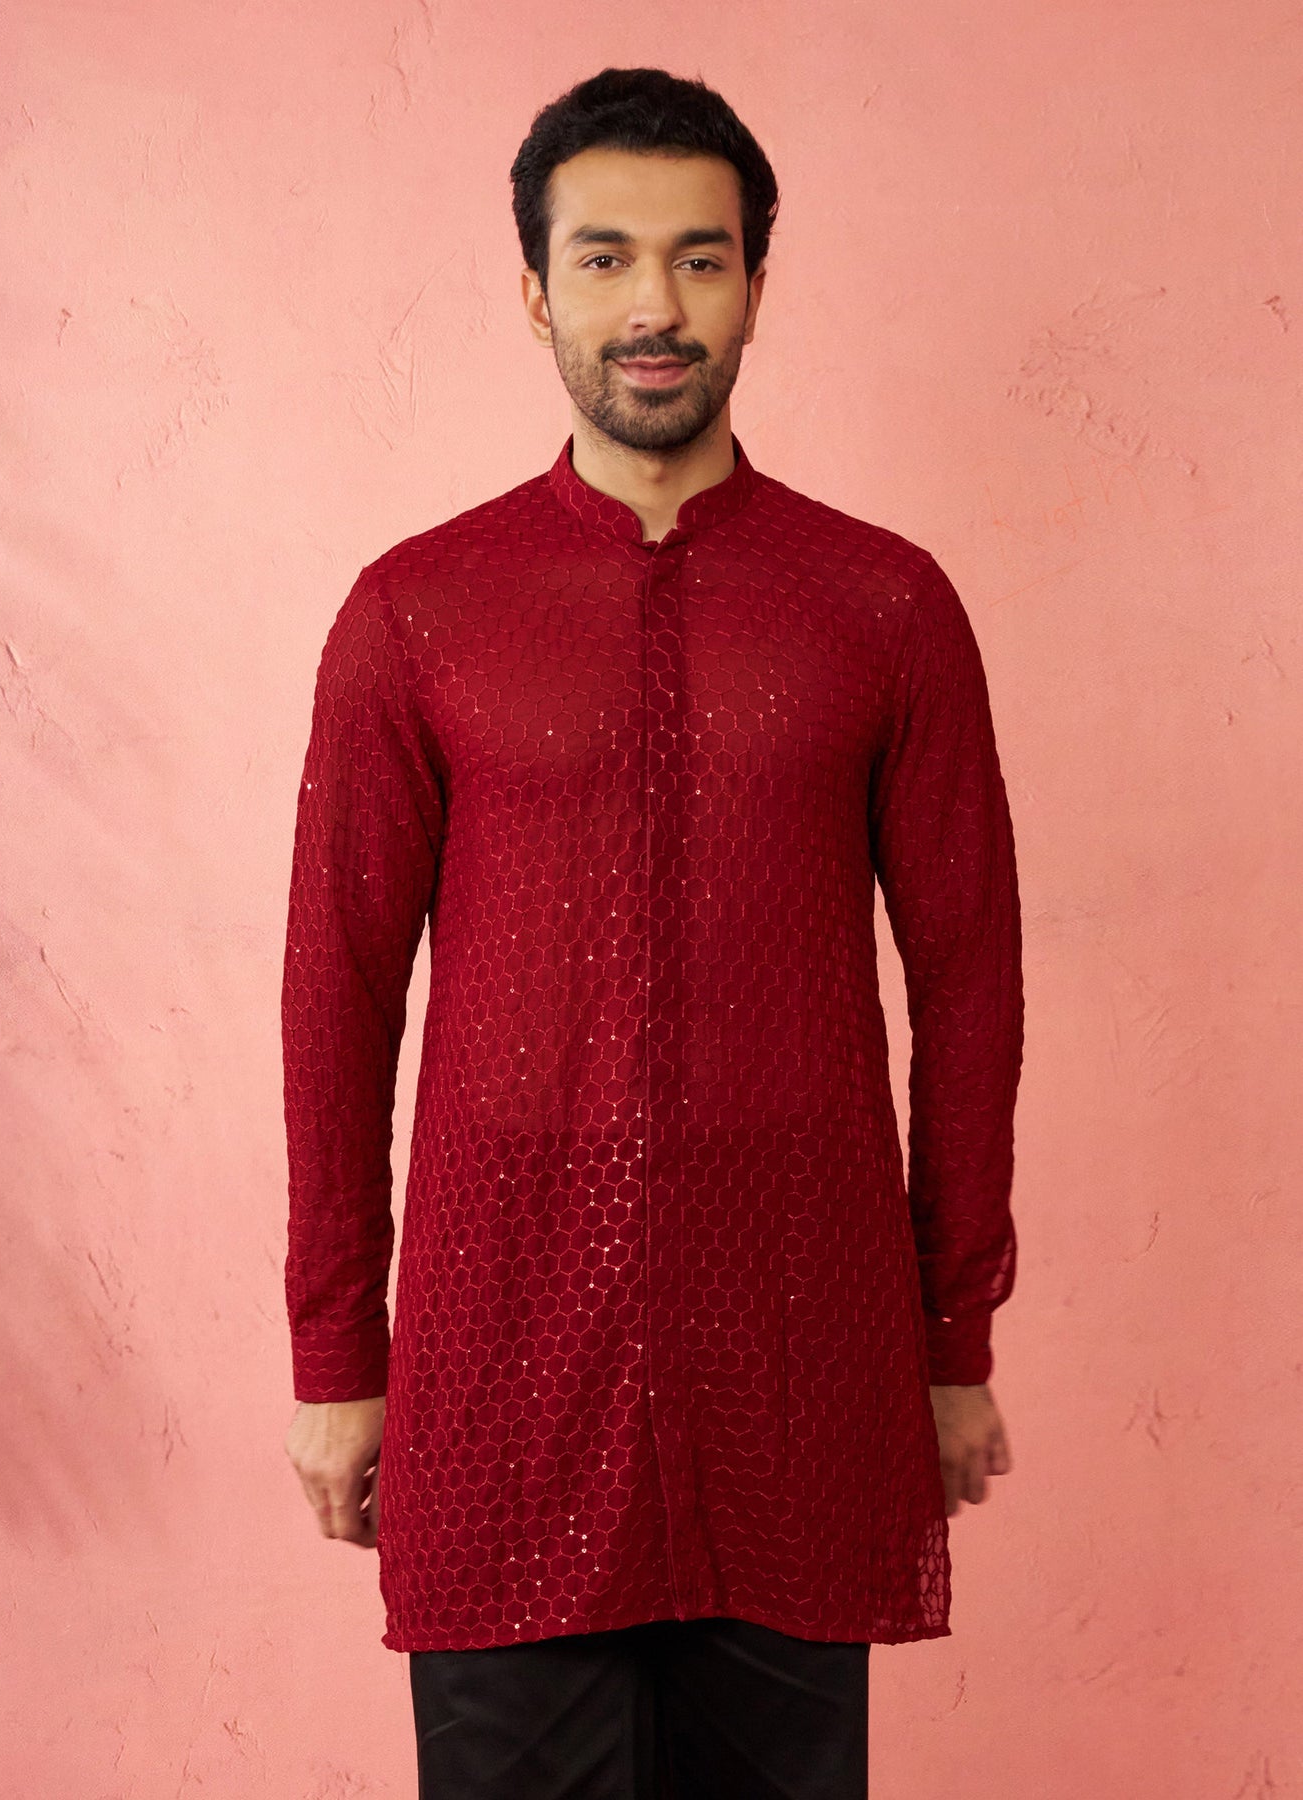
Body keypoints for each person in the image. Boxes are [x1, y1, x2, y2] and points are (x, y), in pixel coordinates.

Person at [280, 65, 1023, 1800]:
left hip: (802, 1354)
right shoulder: (417, 610)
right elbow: (337, 992)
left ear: (755, 284)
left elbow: (970, 980)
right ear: (534, 290)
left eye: (699, 258)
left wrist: (949, 1344)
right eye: (603, 257)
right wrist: (336, 1355)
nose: (654, 307)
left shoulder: (883, 603)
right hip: (501, 1360)